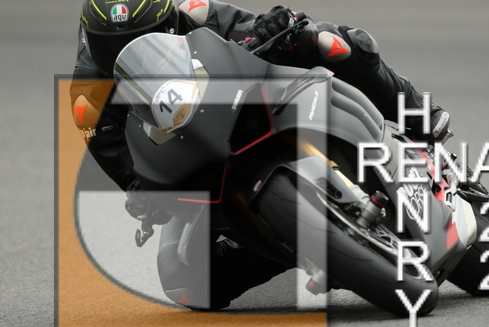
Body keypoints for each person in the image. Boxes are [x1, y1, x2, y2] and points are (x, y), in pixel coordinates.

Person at [71, 0, 451, 310]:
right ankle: (301, 244)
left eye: (144, 38)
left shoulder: (195, 13)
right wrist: (139, 190)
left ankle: (417, 113)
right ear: (91, 40)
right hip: (193, 154)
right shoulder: (88, 93)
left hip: (249, 101)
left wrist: (274, 27)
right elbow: (116, 155)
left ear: (169, 23)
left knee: (328, 41)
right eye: (110, 46)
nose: (126, 52)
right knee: (184, 282)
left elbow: (253, 28)